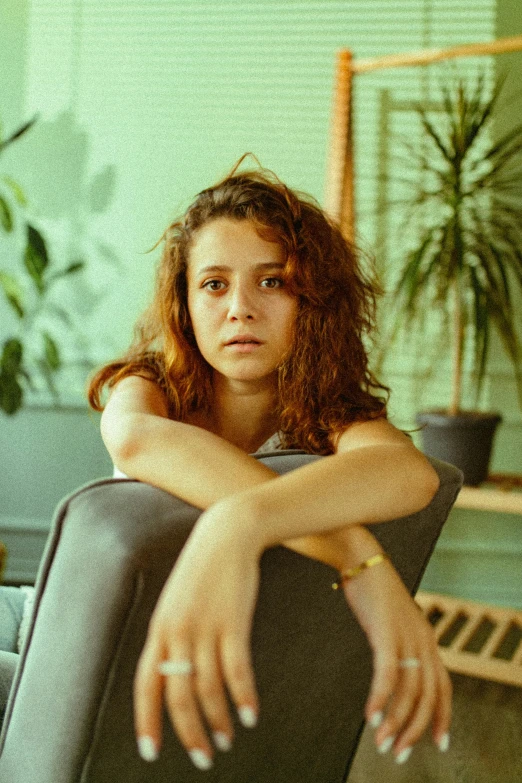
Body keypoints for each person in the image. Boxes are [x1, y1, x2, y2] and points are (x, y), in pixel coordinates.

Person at [88, 155, 451, 772]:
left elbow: (411, 474)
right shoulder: (148, 388)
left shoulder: (334, 419)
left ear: (312, 300)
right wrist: (354, 555)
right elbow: (135, 442)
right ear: (185, 303)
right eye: (214, 284)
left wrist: (237, 523)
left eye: (273, 281)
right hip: (66, 621)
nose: (240, 309)